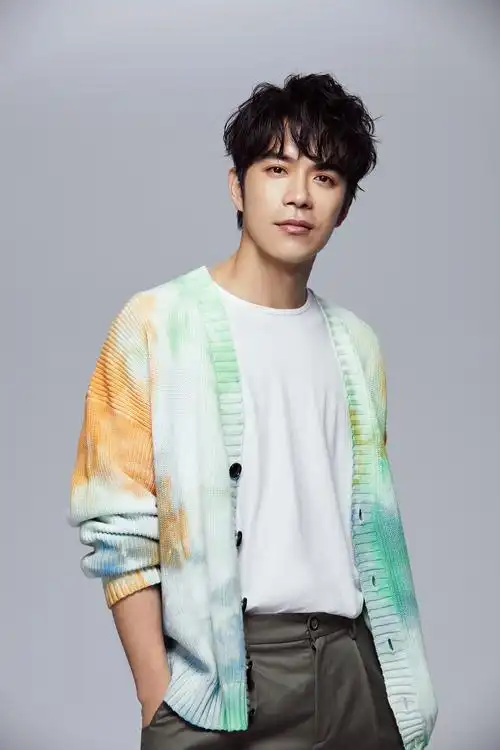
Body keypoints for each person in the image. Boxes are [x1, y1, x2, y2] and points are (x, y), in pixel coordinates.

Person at [69, 72, 438, 750]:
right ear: (237, 187)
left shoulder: (358, 344)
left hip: (353, 671)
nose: (299, 195)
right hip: (219, 683)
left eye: (325, 177)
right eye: (276, 168)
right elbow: (119, 531)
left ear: (344, 206)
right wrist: (157, 696)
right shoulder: (154, 324)